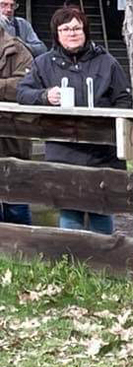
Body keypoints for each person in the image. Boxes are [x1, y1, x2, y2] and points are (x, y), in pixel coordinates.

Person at [16, 6, 131, 234]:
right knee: (70, 212)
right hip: (63, 151)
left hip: (101, 152)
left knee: (101, 211)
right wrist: (45, 96)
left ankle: (104, 264)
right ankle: (71, 265)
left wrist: (109, 126)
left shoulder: (106, 61)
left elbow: (124, 99)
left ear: (85, 31)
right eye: (65, 28)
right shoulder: (43, 63)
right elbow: (22, 93)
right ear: (57, 34)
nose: (72, 33)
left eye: (77, 28)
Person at [0, 23, 31, 225]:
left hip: (12, 139)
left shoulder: (18, 49)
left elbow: (25, 85)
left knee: (16, 206)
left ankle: (22, 254)